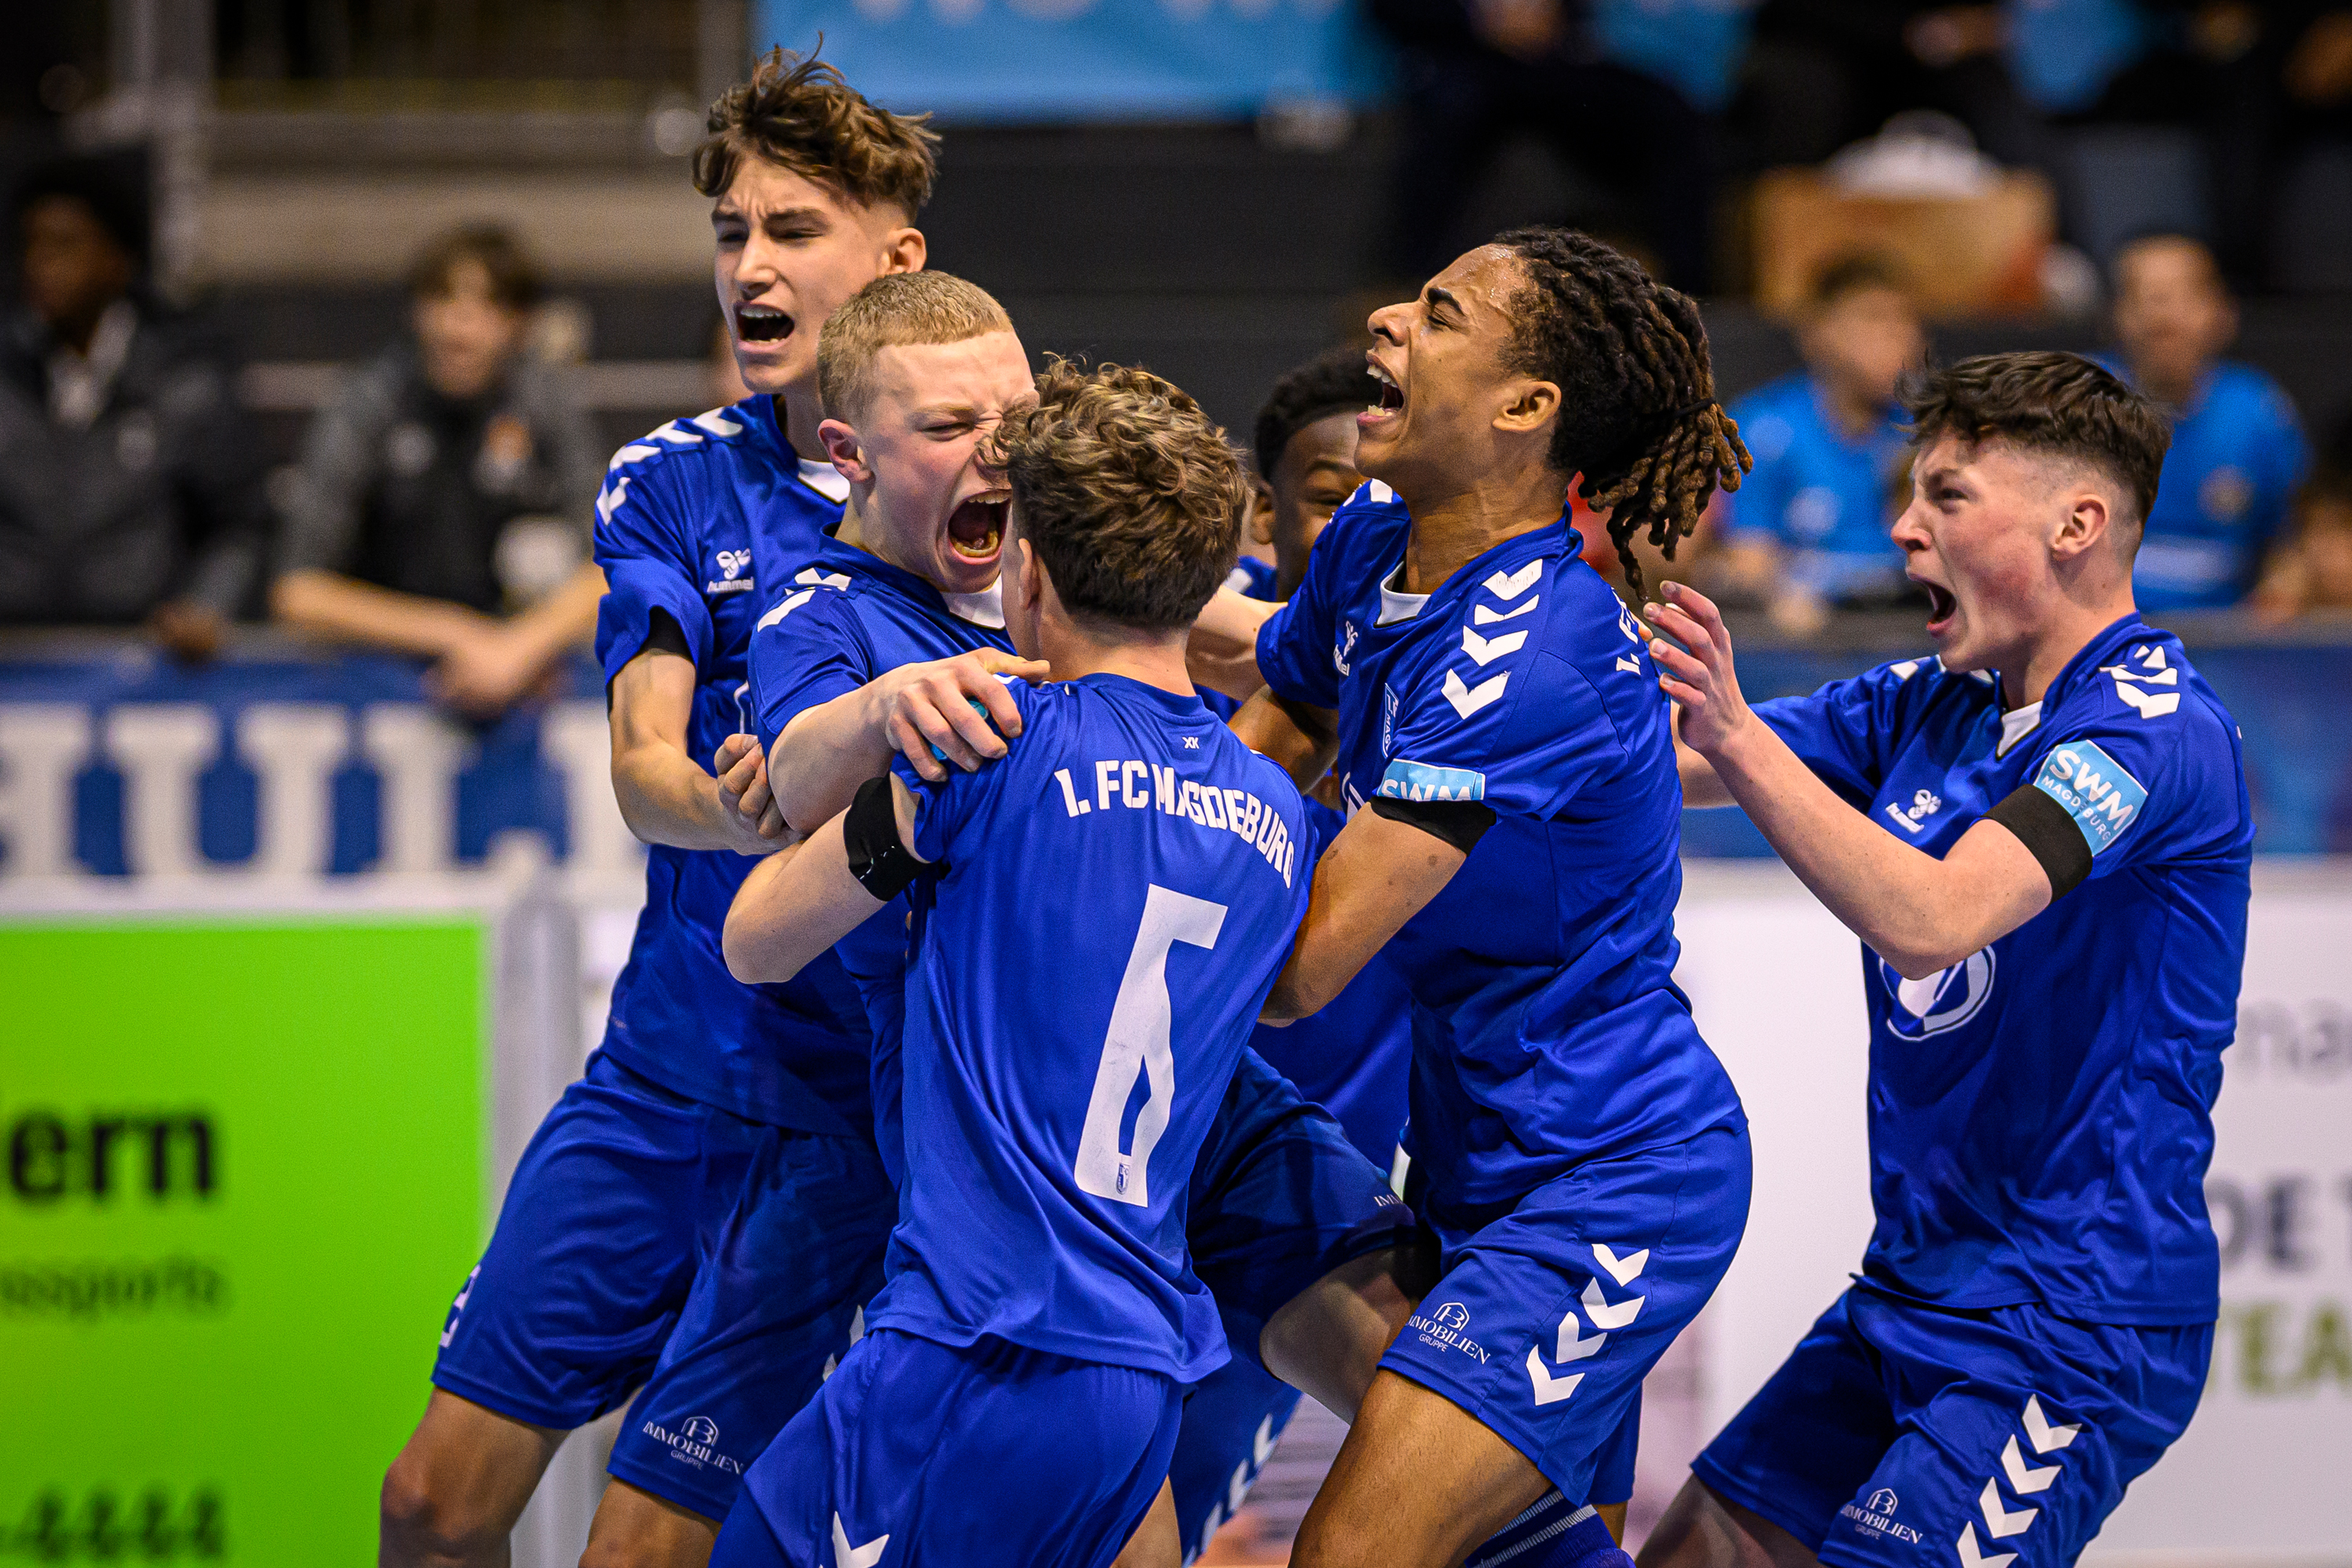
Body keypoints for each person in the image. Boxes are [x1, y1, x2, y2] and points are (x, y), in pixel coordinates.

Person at [728, 274, 1421, 1568]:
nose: (991, 452)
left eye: (1011, 423)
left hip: (981, 1322)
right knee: (1412, 1384)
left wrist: (885, 783)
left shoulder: (984, 743)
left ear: (1032, 569)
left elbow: (758, 928)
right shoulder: (1275, 809)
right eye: (951, 426)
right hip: (1137, 1329)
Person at [377, 49, 932, 1568]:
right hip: (661, 1079)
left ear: (896, 260)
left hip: (838, 1128)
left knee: (639, 1548)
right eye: (732, 232)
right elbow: (642, 763)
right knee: (429, 1505)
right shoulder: (671, 478)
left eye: (794, 230)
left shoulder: (974, 490)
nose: (750, 267)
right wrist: (747, 812)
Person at [1187, 227, 1753, 1568]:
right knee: (1525, 1555)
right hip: (1468, 1155)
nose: (1389, 318)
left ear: (1525, 406)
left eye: (1439, 313)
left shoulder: (1532, 657)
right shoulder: (1374, 532)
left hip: (1611, 1181)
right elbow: (1293, 708)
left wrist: (1135, 860)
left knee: (1353, 1553)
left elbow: (1303, 967)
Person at [1638, 350, 2251, 1568]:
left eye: (1947, 496)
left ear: (2077, 526)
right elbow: (1666, 759)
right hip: (1911, 1290)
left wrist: (1743, 741)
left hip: (2067, 1319)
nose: (1904, 529)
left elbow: (1935, 916)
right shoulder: (1936, 699)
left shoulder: (2153, 731)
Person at [270, 224, 608, 718]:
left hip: (523, 679)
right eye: (443, 299)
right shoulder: (369, 402)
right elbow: (298, 593)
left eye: (487, 305)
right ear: (417, 311)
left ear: (519, 323)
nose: (459, 325)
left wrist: (518, 648)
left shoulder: (548, 406)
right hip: (379, 693)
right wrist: (454, 633)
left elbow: (613, 568)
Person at [0, 154, 267, 655]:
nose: (43, 265)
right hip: (16, 662)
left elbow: (240, 525)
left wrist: (206, 607)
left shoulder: (185, 383)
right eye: (32, 245)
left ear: (117, 262)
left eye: (66, 245)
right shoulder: (8, 377)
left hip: (146, 666)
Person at [1712, 256, 1926, 634]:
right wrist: (1780, 595)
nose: (1896, 337)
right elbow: (1749, 561)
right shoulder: (1761, 429)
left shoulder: (1930, 431)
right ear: (1818, 332)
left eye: (1905, 320)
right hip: (1807, 638)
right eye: (1873, 319)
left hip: (1910, 627)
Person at [2101, 234, 2308, 611]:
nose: (2162, 313)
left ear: (2223, 314)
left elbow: (2295, 539)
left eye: (2184, 294)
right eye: (2142, 295)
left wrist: (2283, 589)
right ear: (2118, 315)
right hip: (2101, 636)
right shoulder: (2077, 401)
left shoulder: (2259, 411)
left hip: (2227, 636)